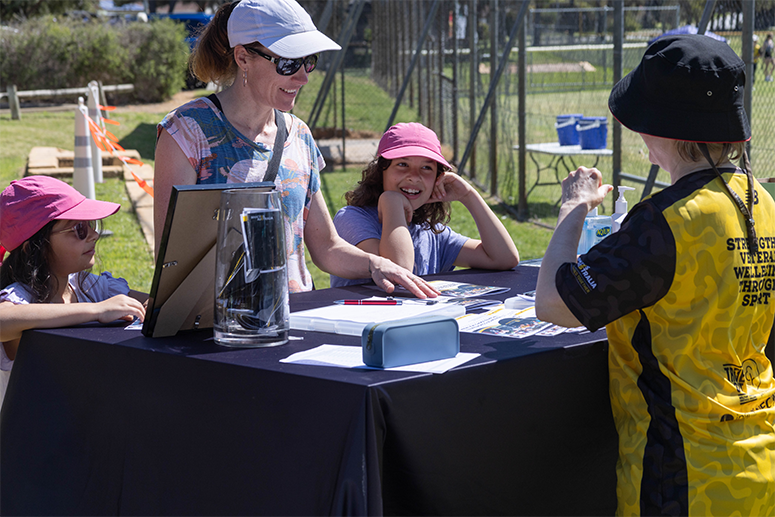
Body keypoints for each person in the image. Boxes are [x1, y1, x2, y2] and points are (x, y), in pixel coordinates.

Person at [535, 35, 775, 516]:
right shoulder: (762, 201)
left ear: (663, 128)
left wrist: (572, 208)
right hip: (755, 461)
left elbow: (554, 305)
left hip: (680, 474)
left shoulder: (665, 220)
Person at [153, 0, 436, 299]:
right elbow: (172, 259)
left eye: (308, 61)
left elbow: (326, 248)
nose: (303, 77)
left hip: (294, 319)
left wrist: (377, 264)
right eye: (288, 63)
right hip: (222, 326)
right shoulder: (186, 131)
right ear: (243, 58)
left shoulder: (299, 135)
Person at [0, 176, 147, 406]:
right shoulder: (21, 297)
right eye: (79, 229)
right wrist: (95, 311)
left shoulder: (86, 285)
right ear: (34, 249)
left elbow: (158, 300)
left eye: (91, 225)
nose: (94, 235)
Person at [330, 122, 519, 287]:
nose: (414, 176)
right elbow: (398, 273)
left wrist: (469, 196)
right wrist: (392, 202)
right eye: (402, 164)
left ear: (438, 178)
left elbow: (503, 258)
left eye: (427, 168)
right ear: (381, 172)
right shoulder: (351, 218)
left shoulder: (432, 232)